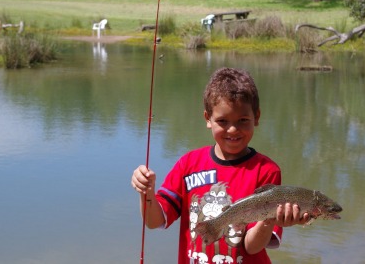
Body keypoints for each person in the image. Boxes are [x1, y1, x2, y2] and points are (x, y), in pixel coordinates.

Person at [131, 67, 310, 263]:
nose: (233, 129)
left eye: (243, 120)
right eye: (223, 121)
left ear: (256, 117)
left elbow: (252, 247)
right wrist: (146, 192)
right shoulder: (188, 164)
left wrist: (268, 221)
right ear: (208, 118)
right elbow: (154, 221)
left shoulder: (267, 171)